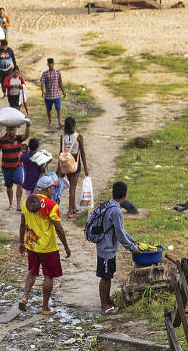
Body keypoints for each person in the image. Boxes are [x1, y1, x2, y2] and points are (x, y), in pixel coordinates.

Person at [17, 160, 70, 313]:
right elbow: (58, 229)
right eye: (53, 187)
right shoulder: (51, 205)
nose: (54, 190)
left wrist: (21, 242)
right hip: (47, 247)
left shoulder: (28, 202)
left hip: (31, 245)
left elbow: (22, 224)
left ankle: (25, 297)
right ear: (47, 189)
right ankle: (45, 307)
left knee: (32, 271)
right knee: (48, 276)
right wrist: (66, 246)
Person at [85, 179, 139, 317]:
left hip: (105, 246)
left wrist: (131, 238)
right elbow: (120, 235)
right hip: (106, 249)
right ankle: (105, 306)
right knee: (105, 277)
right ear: (125, 195)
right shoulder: (116, 211)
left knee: (108, 275)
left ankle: (107, 300)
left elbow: (119, 229)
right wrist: (133, 248)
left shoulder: (109, 204)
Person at [0, 119, 29, 206]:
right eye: (10, 129)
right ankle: (10, 204)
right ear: (6, 130)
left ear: (16, 130)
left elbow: (26, 136)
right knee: (9, 186)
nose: (12, 131)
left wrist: (28, 126)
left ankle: (18, 204)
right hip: (6, 167)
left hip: (18, 166)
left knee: (19, 183)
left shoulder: (19, 138)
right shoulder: (2, 140)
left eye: (13, 129)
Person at [55, 116, 86, 208]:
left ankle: (73, 208)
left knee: (62, 187)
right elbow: (83, 153)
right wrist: (86, 168)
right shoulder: (78, 136)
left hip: (64, 164)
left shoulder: (62, 137)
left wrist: (58, 167)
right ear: (74, 125)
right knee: (72, 188)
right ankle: (70, 211)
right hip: (74, 163)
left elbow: (61, 152)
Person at [40, 57, 66, 123]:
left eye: (51, 63)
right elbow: (42, 82)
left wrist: (63, 91)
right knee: (48, 109)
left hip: (56, 95)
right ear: (47, 64)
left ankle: (59, 122)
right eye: (49, 64)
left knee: (58, 108)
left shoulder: (58, 72)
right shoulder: (45, 73)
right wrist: (43, 92)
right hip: (48, 96)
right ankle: (50, 121)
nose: (50, 65)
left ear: (54, 64)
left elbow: (60, 82)